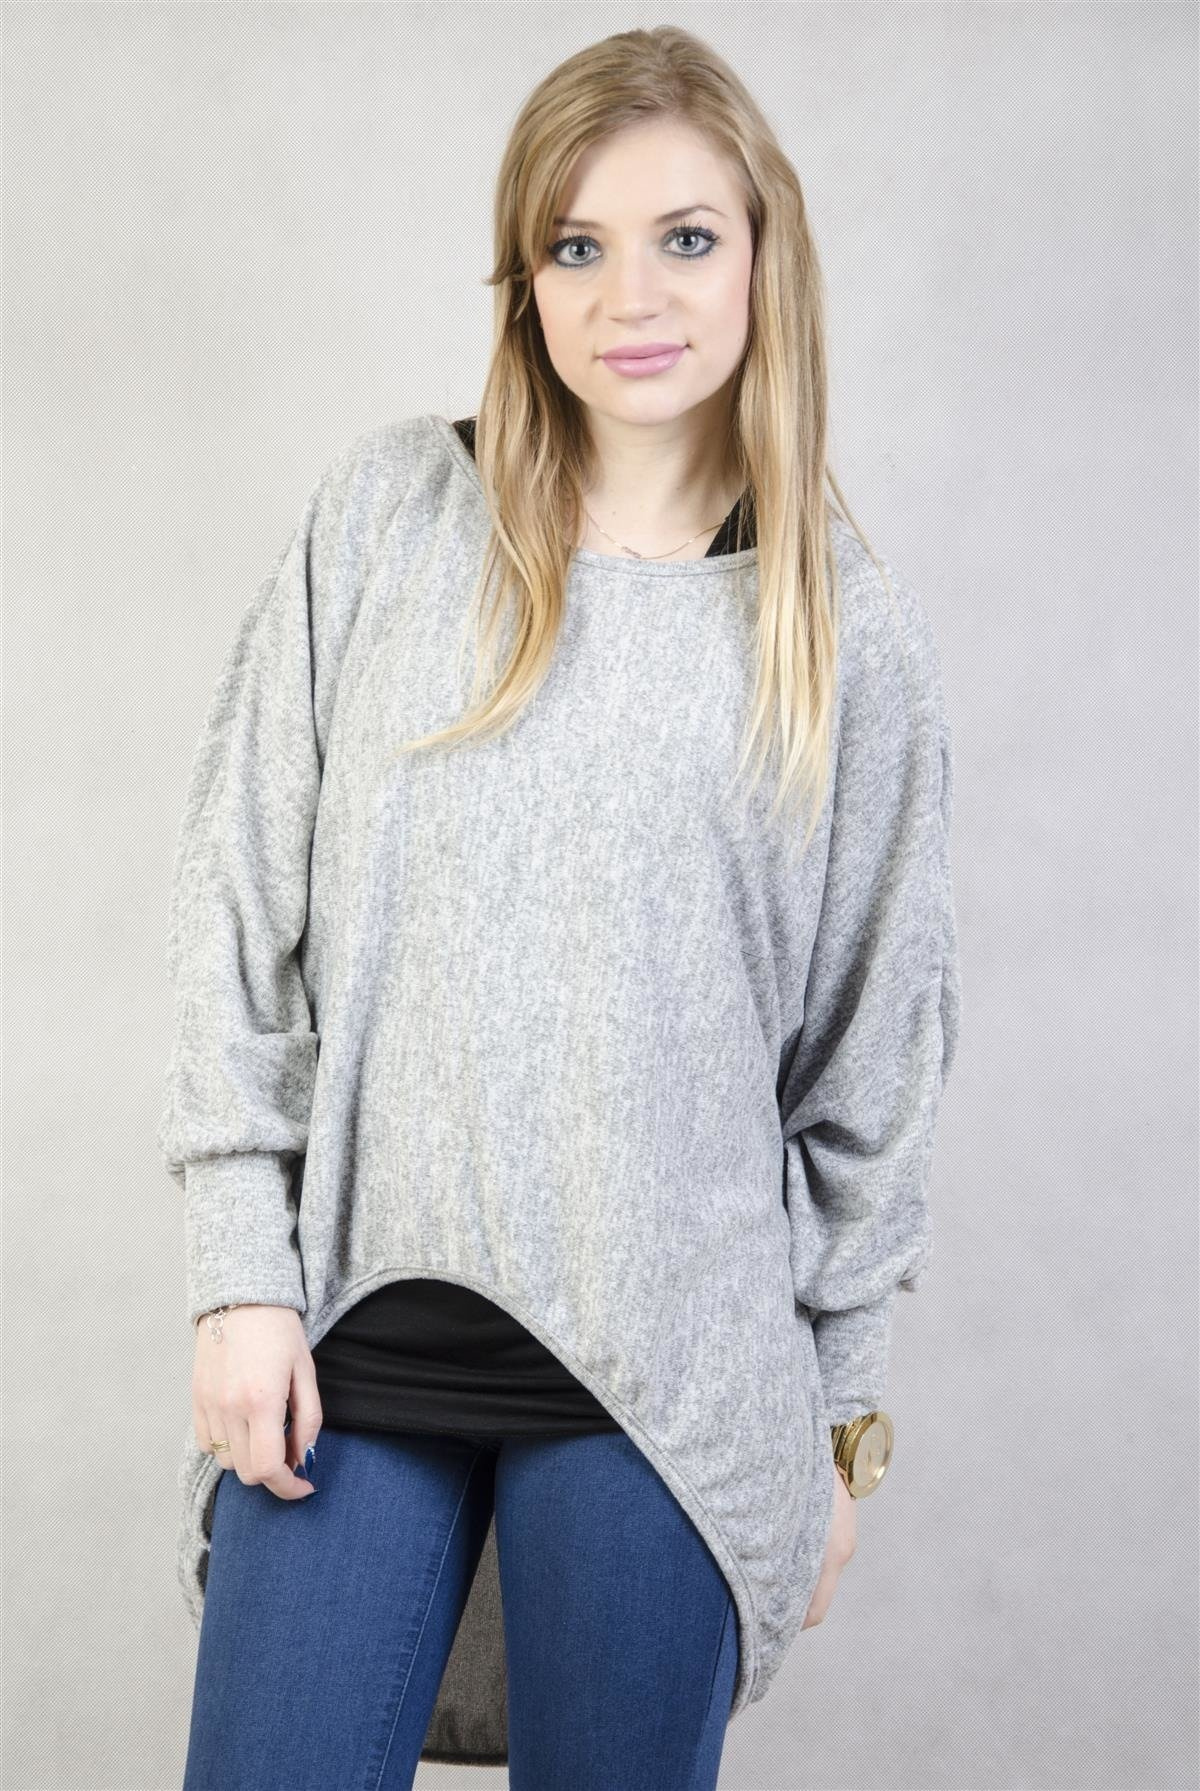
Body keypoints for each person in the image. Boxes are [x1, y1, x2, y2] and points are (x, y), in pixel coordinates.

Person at [157, 25, 961, 1791]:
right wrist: (235, 1278)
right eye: (575, 245)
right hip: (355, 1332)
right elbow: (235, 910)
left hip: (673, 1390)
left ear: (764, 256)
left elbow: (872, 1072)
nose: (631, 296)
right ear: (523, 283)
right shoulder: (389, 521)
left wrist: (838, 1422)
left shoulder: (839, 633)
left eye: (687, 237)